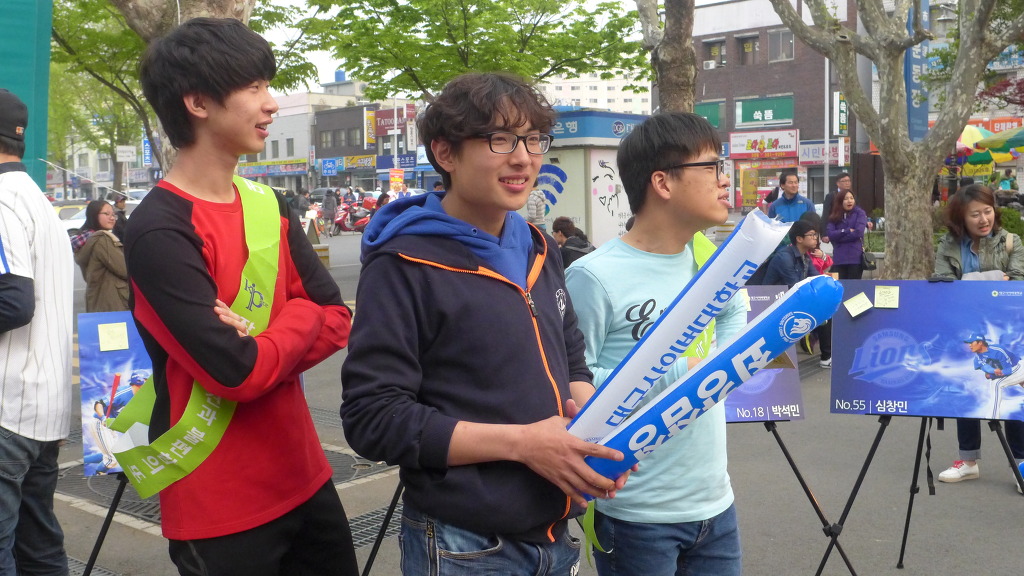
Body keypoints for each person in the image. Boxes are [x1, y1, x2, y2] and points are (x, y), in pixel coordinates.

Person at [340, 72, 629, 576]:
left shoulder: (540, 248)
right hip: (466, 545)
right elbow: (374, 417)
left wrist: (594, 427)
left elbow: (571, 357)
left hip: (556, 532)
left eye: (534, 139)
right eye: (500, 139)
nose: (524, 158)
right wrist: (523, 445)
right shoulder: (403, 264)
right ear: (445, 153)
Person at [131, 18, 358, 575]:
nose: (271, 103)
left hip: (304, 474)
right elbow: (236, 373)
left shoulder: (269, 204)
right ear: (198, 103)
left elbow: (336, 317)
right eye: (254, 87)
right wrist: (298, 315)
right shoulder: (159, 230)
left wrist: (273, 333)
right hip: (216, 498)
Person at [565, 112, 745, 576]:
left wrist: (720, 367)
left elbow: (733, 314)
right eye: (712, 166)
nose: (724, 179)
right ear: (662, 182)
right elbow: (572, 378)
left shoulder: (707, 257)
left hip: (715, 503)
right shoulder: (593, 276)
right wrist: (682, 376)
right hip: (635, 511)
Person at [0, 87, 75, 576]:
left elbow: (13, 301)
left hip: (7, 406)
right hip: (44, 409)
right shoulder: (36, 200)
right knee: (38, 550)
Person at [933, 183, 1024, 489]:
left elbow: (1018, 283)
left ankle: (1021, 462)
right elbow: (943, 286)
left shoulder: (1010, 241)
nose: (984, 219)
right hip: (965, 329)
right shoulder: (948, 245)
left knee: (1012, 393)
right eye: (975, 214)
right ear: (961, 217)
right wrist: (994, 280)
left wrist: (970, 282)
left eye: (988, 211)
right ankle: (968, 461)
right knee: (968, 391)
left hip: (1007, 330)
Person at [73, 200, 129, 312]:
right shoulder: (102, 240)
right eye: (106, 214)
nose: (112, 218)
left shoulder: (87, 238)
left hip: (98, 301)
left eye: (113, 214)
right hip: (113, 302)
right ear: (94, 215)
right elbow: (125, 270)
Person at [826, 190, 869, 279]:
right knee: (839, 285)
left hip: (855, 258)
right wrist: (846, 231)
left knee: (854, 286)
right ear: (840, 201)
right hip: (839, 258)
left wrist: (838, 237)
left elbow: (858, 232)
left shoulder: (860, 213)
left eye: (851, 198)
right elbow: (830, 234)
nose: (849, 201)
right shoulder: (834, 215)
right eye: (846, 199)